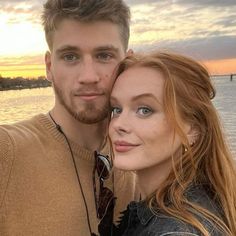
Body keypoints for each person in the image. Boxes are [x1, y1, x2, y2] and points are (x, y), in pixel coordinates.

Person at [0, 0, 137, 235]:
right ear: (49, 66)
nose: (88, 76)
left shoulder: (143, 154)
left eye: (104, 55)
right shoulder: (8, 151)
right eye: (70, 57)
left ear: (128, 63)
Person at [109, 51, 236, 235]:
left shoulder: (175, 231)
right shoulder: (202, 199)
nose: (118, 124)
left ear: (193, 129)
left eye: (145, 110)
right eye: (116, 109)